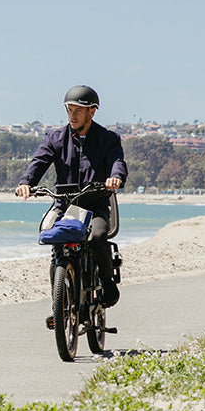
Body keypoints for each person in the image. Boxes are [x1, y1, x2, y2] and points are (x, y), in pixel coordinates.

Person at [15, 85, 128, 307]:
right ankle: (60, 303)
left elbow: (117, 162)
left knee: (97, 237)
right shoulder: (55, 138)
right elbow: (39, 162)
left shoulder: (108, 139)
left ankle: (107, 283)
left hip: (94, 205)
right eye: (69, 110)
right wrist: (26, 182)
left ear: (92, 112)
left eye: (78, 110)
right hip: (65, 206)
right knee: (51, 238)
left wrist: (115, 177)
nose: (72, 115)